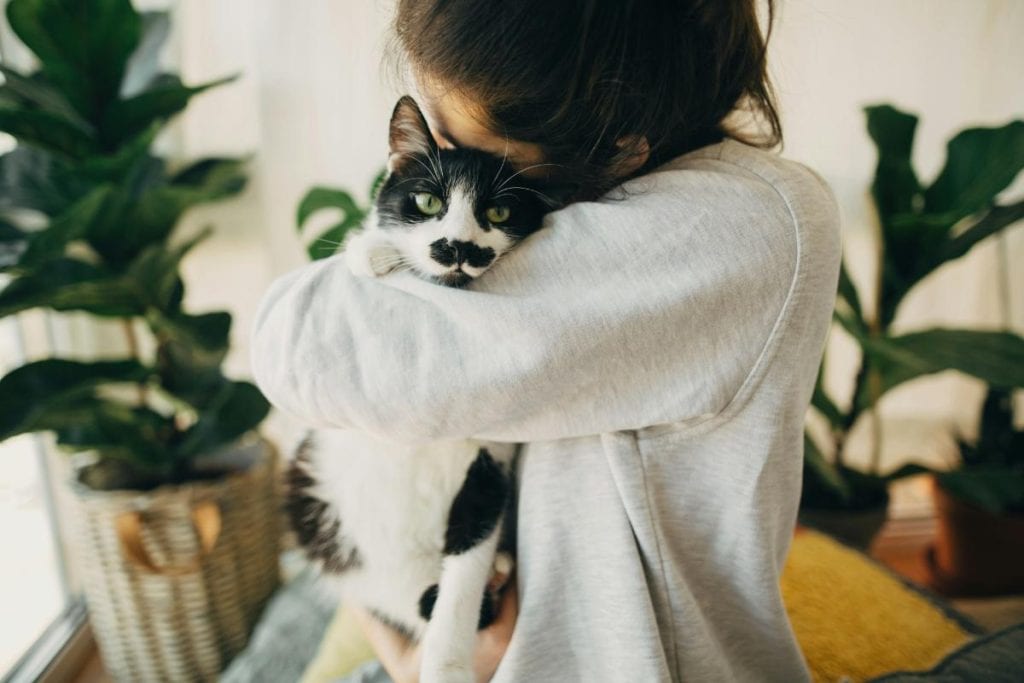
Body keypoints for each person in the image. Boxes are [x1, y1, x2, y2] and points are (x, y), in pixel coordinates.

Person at [249, 1, 841, 681]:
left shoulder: (738, 229)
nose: (450, 165)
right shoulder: (629, 195)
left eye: (466, 149)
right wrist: (412, 653)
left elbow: (300, 345)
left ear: (618, 150)